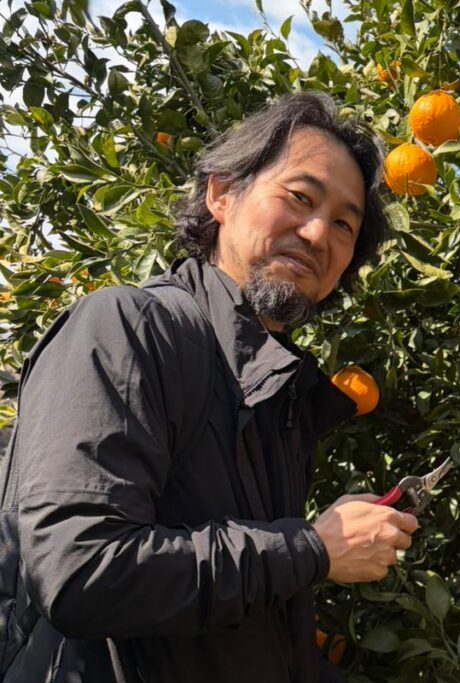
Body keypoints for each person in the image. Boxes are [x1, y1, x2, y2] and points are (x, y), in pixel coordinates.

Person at [0, 92, 419, 682]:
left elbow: (250, 630)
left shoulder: (276, 393)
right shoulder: (129, 327)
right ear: (221, 194)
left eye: (346, 226)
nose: (320, 231)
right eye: (300, 197)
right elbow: (78, 573)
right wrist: (313, 549)